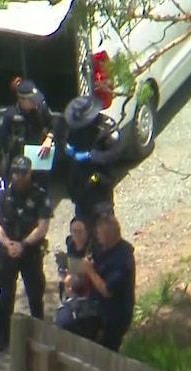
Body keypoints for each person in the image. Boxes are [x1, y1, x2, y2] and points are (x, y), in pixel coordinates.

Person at [0, 155, 53, 352]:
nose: (18, 177)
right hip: (8, 252)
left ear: (29, 173)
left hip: (30, 252)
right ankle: (3, 335)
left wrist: (23, 244)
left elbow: (42, 226)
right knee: (4, 297)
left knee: (35, 293)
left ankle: (39, 334)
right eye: (15, 172)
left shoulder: (39, 195)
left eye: (22, 173)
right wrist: (8, 243)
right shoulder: (5, 196)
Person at [62, 95, 124, 226]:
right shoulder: (74, 124)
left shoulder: (106, 127)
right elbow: (64, 139)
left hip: (99, 182)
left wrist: (91, 156)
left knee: (104, 224)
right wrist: (67, 148)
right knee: (81, 225)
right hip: (79, 181)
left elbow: (115, 153)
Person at [81, 214, 135, 352]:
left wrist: (90, 271)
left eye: (99, 233)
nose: (97, 236)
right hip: (97, 309)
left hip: (114, 316)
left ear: (109, 235)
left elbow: (107, 290)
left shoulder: (122, 258)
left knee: (106, 351)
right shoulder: (104, 248)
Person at [0, 78, 56, 187]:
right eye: (32, 100)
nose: (36, 103)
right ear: (21, 100)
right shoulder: (10, 115)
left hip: (36, 161)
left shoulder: (41, 109)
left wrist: (49, 138)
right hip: (16, 161)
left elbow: (52, 126)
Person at [56, 216, 93, 301]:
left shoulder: (94, 247)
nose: (77, 235)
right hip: (74, 284)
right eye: (74, 231)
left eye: (80, 231)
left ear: (86, 232)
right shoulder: (70, 243)